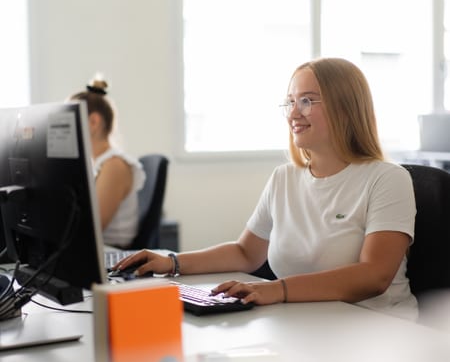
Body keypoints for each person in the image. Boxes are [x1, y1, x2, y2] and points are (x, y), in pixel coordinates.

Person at [113, 57, 418, 320]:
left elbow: (374, 275)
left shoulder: (387, 178)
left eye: (307, 101)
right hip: (305, 324)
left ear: (346, 108)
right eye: (291, 101)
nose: (293, 114)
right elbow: (246, 253)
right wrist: (172, 261)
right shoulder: (283, 178)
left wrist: (277, 289)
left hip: (377, 331)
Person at [69, 75, 146, 248]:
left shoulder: (114, 165)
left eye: (70, 121)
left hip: (112, 251)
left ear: (93, 122)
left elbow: (93, 227)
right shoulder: (95, 163)